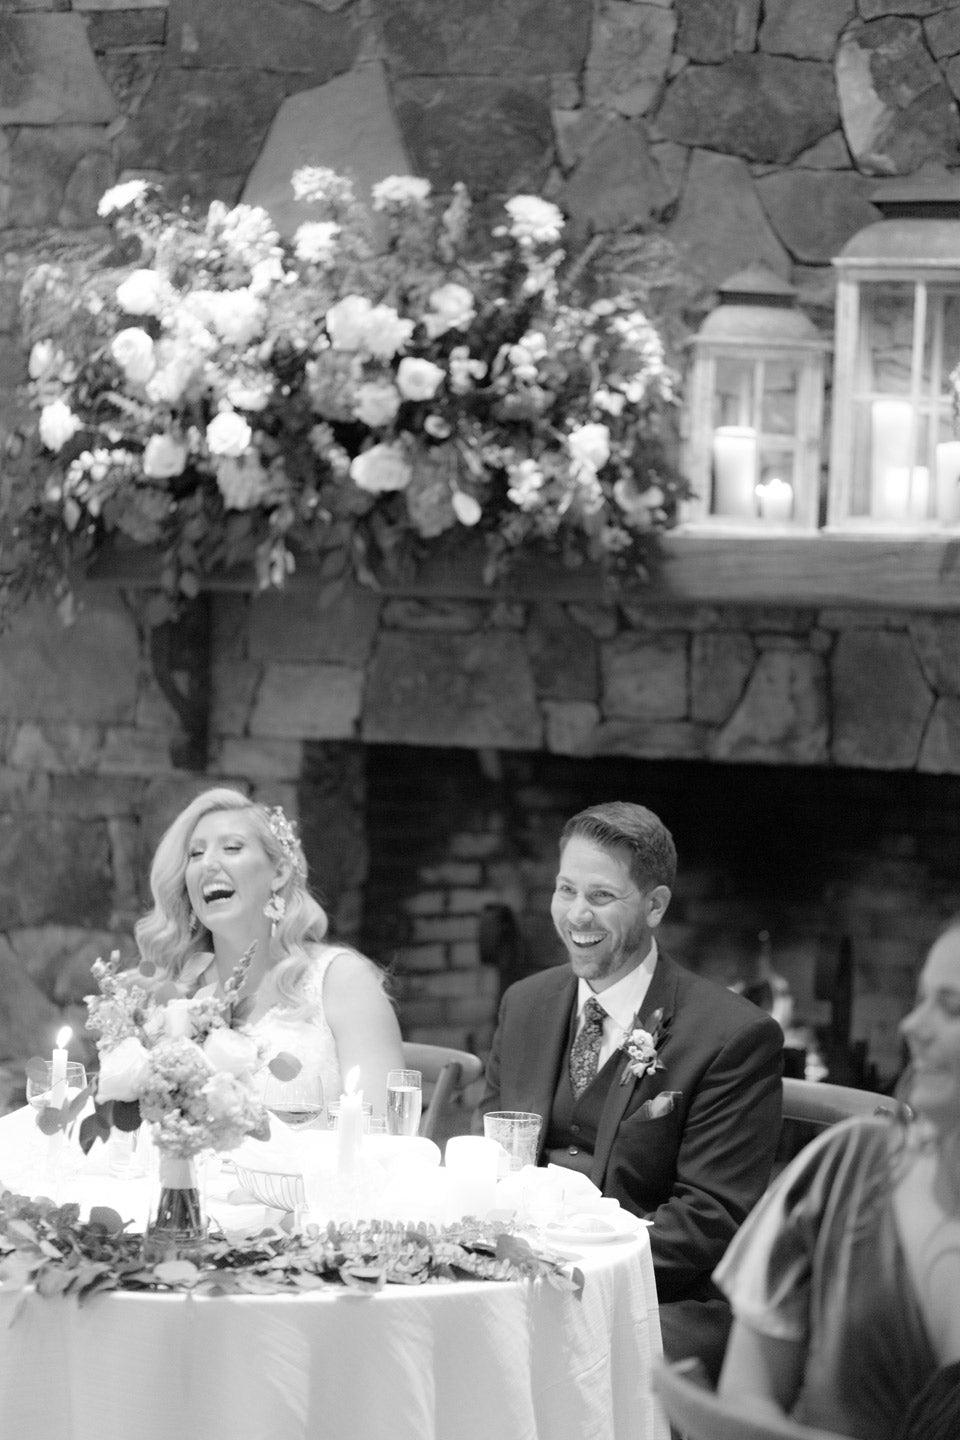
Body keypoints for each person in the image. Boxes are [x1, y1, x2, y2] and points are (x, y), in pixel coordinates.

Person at [478, 801, 784, 1380]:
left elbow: (709, 1221)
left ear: (655, 905)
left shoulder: (733, 1036)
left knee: (529, 1359)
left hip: (656, 1301)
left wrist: (568, 1268)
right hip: (520, 1281)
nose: (576, 916)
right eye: (566, 890)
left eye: (601, 897)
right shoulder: (525, 1004)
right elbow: (496, 1156)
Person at [714, 916, 960, 1440]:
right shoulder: (842, 1170)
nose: (912, 1026)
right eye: (920, 999)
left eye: (952, 1007)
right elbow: (746, 1394)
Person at [135, 787, 405, 1115]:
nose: (208, 864)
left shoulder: (342, 981)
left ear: (279, 872)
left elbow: (384, 1134)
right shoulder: (172, 990)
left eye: (231, 848)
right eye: (195, 854)